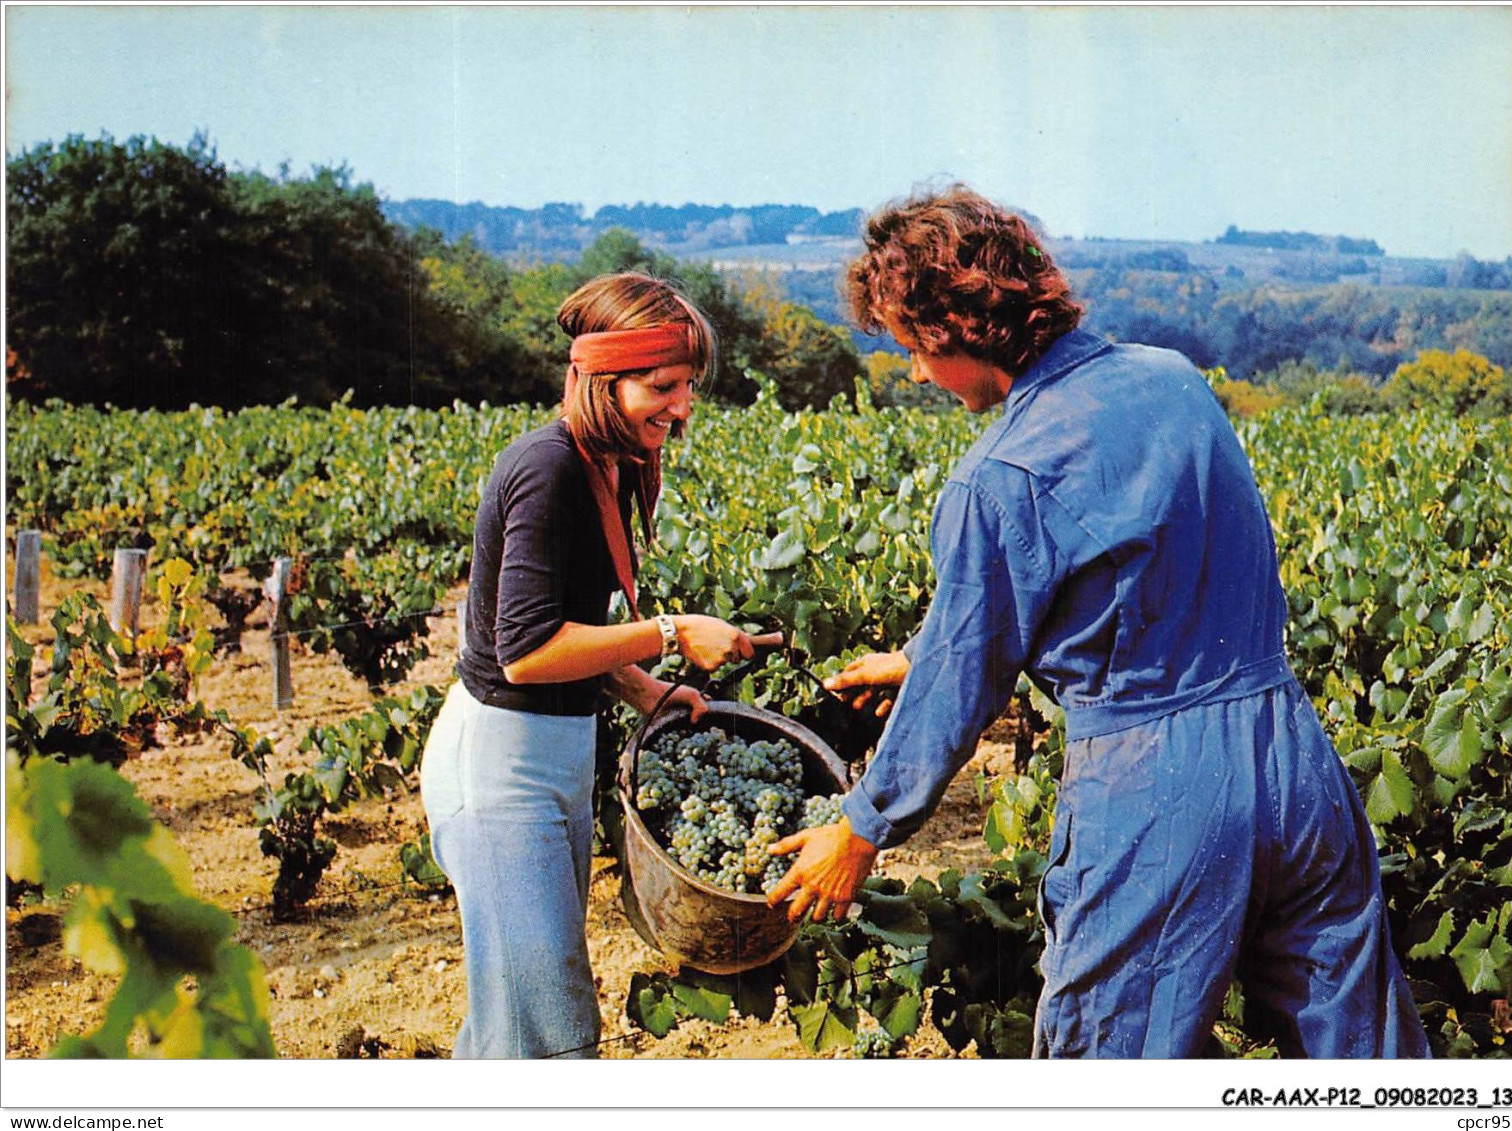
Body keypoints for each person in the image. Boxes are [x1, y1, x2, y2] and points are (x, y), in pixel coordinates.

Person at [766, 186, 1429, 1059]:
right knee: (1362, 1063)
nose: (918, 375)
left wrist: (860, 829)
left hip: (1158, 790)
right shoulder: (1176, 380)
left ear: (957, 327)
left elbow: (965, 686)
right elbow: (1134, 571)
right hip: (1294, 762)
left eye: (914, 350)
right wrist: (918, 655)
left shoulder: (997, 474)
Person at [420, 272, 763, 1059]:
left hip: (552, 760)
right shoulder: (548, 469)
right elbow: (528, 649)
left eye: (688, 387)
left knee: (516, 1022)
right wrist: (670, 632)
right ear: (604, 378)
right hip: (501, 770)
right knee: (545, 1033)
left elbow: (580, 624)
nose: (681, 407)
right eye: (663, 385)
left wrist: (644, 690)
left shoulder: (604, 460)